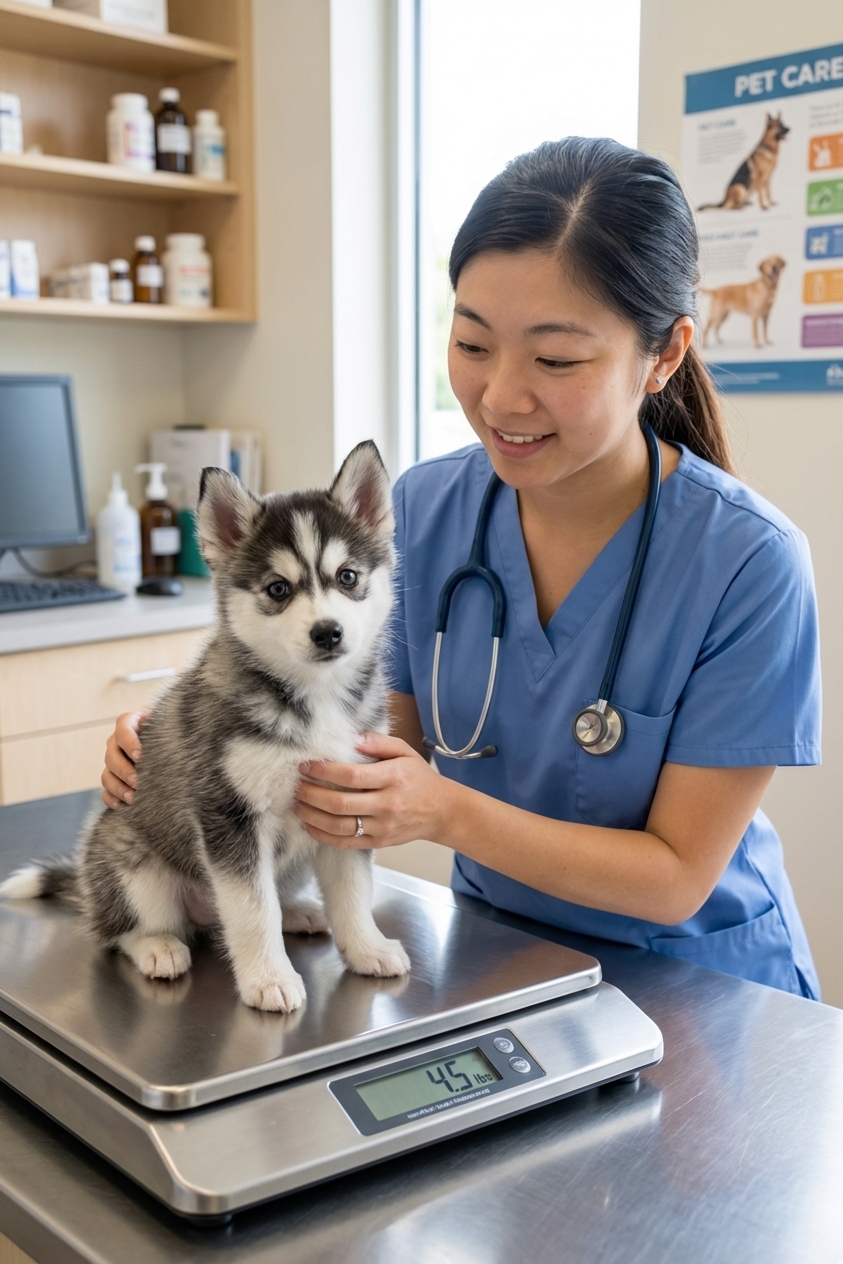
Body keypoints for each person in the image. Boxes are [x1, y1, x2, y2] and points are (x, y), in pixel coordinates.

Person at [102, 138, 821, 999]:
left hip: (700, 983)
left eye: (555, 359)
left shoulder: (747, 562)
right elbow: (375, 752)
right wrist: (190, 751)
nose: (501, 397)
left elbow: (673, 878)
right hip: (496, 953)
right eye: (472, 344)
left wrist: (446, 811)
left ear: (662, 356)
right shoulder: (431, 507)